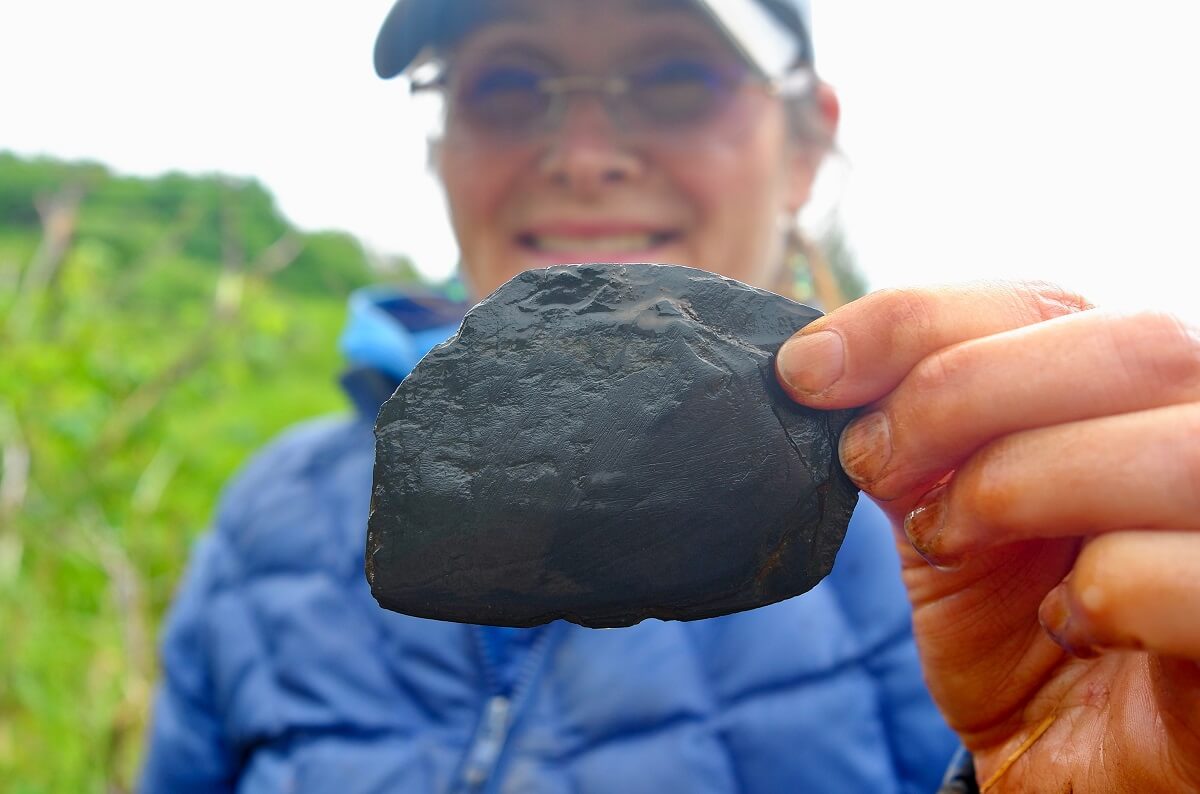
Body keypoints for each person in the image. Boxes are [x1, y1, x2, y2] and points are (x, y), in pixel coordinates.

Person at [141, 1, 1200, 792]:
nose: (585, 156)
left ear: (805, 146)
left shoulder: (990, 552)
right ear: (440, 143)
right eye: (507, 84)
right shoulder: (269, 519)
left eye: (675, 77)